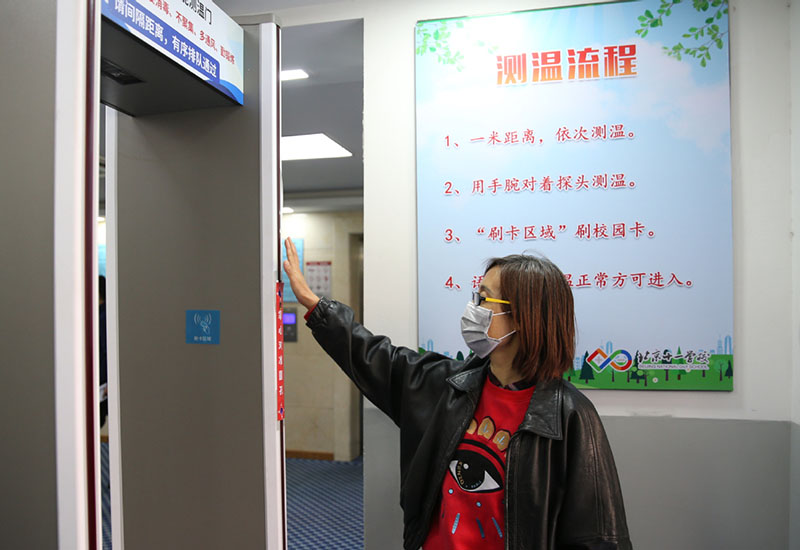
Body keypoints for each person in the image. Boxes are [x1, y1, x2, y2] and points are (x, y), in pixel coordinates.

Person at [283, 238, 632, 550]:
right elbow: (377, 358)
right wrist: (316, 306)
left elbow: (598, 538)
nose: (473, 308)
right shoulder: (449, 386)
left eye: (484, 299)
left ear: (523, 317)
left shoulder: (570, 416)